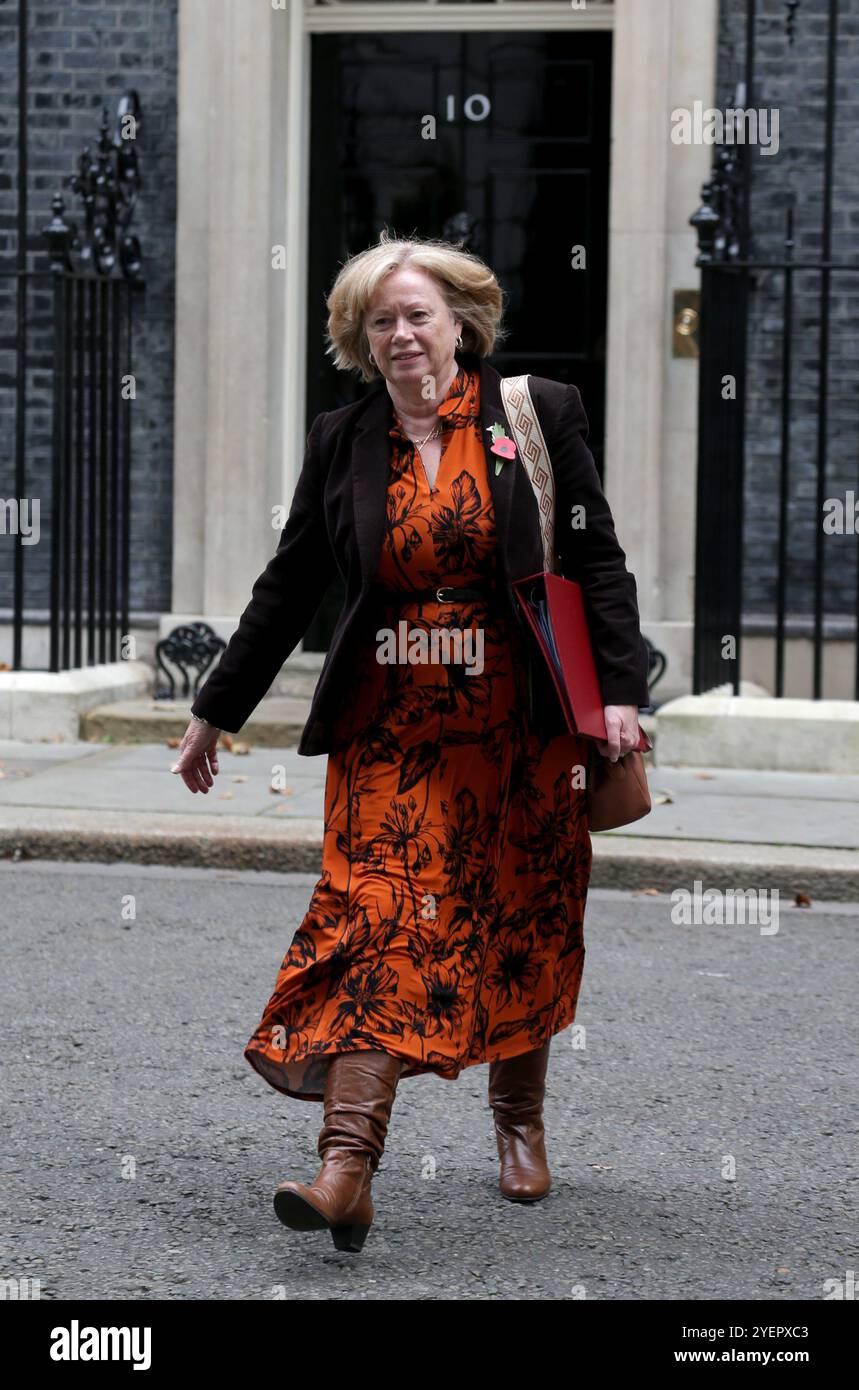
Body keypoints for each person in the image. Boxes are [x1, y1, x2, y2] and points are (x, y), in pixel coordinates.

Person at [171, 232, 650, 1253]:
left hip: (519, 727)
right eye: (379, 320)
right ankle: (347, 1172)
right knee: (377, 923)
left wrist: (618, 693)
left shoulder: (534, 415)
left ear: (460, 322)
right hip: (390, 732)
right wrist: (216, 709)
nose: (400, 334)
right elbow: (291, 581)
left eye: (417, 314)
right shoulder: (343, 439)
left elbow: (595, 561)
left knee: (523, 914)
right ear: (359, 337)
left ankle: (517, 1118)